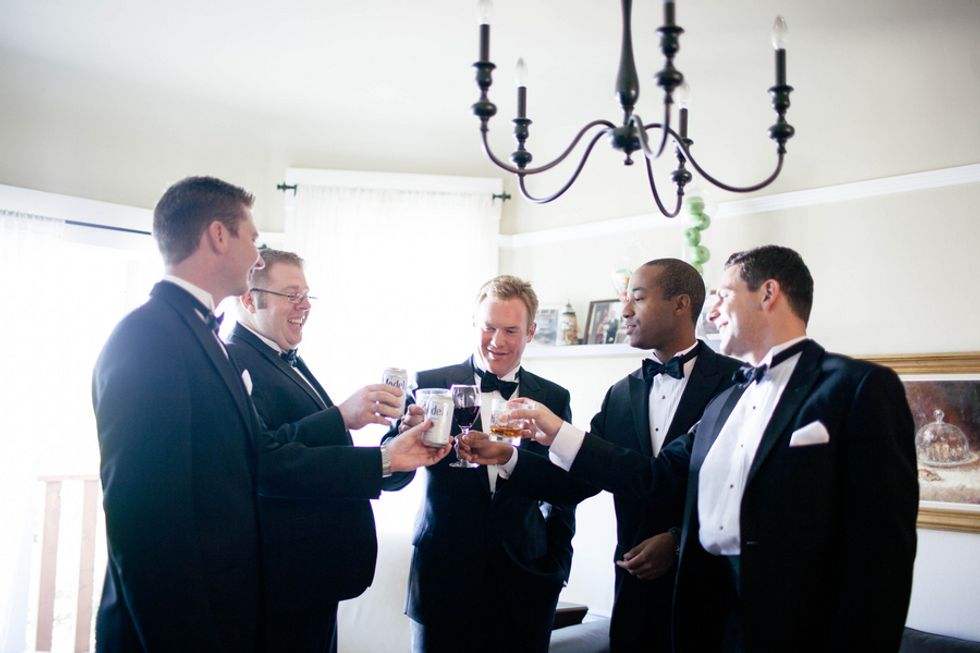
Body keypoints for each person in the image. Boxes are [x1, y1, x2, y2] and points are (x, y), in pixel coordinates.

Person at [92, 176, 448, 653]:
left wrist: (390, 454)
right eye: (253, 238)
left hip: (241, 599)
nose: (256, 255)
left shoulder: (202, 338)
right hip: (189, 619)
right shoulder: (148, 337)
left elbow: (252, 453)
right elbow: (141, 519)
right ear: (219, 235)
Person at [462, 259, 741, 652]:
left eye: (637, 298)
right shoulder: (620, 396)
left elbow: (742, 493)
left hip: (710, 599)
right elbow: (574, 484)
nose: (624, 310)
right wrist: (508, 456)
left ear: (680, 304)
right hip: (633, 600)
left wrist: (679, 540)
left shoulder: (737, 383)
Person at [669, 245, 918, 652]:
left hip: (803, 630)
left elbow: (882, 550)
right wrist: (560, 434)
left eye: (722, 295)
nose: (710, 313)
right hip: (710, 624)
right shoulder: (720, 405)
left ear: (768, 293)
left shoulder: (858, 387)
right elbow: (656, 474)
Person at [383, 275, 576, 653]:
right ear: (474, 323)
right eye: (488, 327)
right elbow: (391, 477)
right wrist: (402, 440)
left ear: (531, 332)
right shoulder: (429, 384)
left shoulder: (553, 397)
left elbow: (563, 486)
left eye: (510, 330)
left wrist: (558, 567)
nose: (497, 341)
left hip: (526, 581)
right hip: (442, 580)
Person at [225, 248, 395, 653]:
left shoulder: (284, 358)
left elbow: (314, 445)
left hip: (312, 578)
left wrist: (397, 445)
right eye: (291, 294)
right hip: (283, 579)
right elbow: (266, 458)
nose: (304, 305)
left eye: (306, 295)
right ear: (249, 299)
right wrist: (342, 416)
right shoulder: (235, 360)